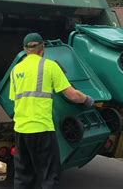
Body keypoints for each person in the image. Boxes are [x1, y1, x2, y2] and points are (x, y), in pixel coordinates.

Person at [10, 33, 94, 189]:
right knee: (49, 176)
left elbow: (13, 98)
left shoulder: (15, 70)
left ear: (24, 50)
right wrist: (88, 100)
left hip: (21, 131)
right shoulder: (49, 66)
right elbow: (72, 94)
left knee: (23, 177)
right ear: (43, 49)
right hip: (42, 129)